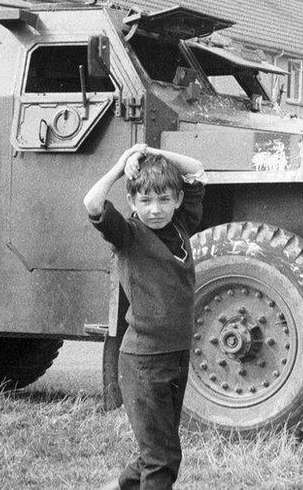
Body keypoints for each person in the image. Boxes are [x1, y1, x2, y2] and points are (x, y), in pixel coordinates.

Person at [84, 144, 205, 490]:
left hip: (176, 356)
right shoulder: (128, 234)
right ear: (133, 202)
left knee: (157, 449)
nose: (156, 210)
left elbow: (195, 168)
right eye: (146, 201)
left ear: (178, 200)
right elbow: (92, 204)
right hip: (143, 362)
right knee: (161, 458)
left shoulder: (181, 224)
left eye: (164, 200)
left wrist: (150, 151)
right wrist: (122, 164)